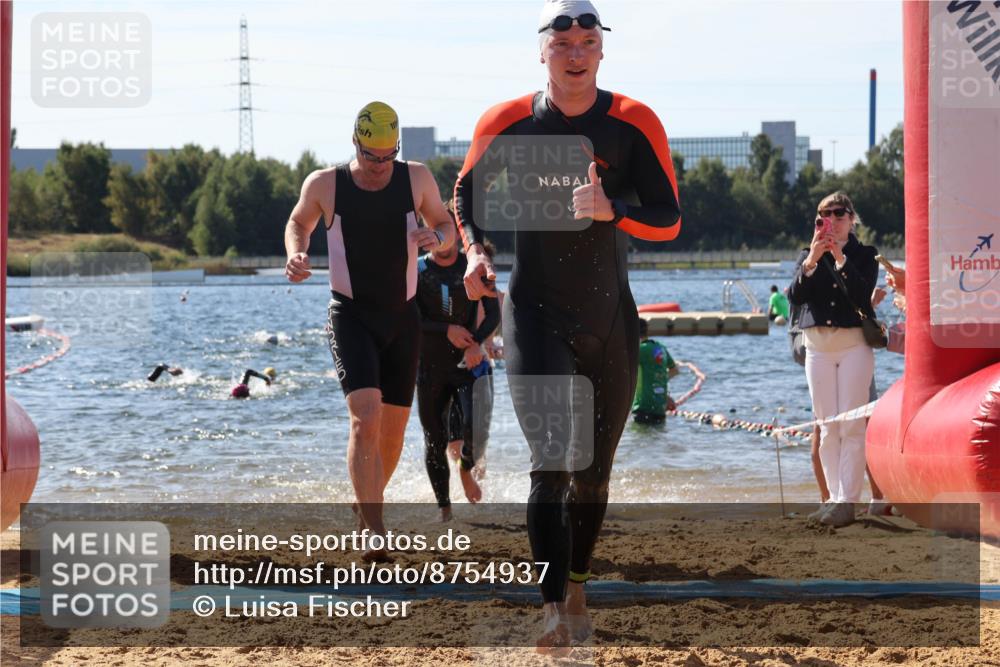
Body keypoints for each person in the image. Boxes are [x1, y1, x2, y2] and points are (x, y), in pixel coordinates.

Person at [455, 0, 682, 652]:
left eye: (588, 41)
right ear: (543, 52)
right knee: (551, 464)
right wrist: (474, 251)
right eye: (564, 43)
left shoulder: (634, 123)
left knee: (594, 475)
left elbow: (669, 220)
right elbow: (466, 194)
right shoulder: (508, 122)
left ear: (602, 51)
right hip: (534, 313)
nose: (576, 52)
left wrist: (613, 208)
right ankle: (553, 607)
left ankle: (578, 580)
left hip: (611, 319)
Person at [284, 101, 456, 560]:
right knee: (365, 415)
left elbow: (446, 223)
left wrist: (438, 238)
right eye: (371, 157)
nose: (381, 167)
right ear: (356, 143)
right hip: (351, 315)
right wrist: (297, 253)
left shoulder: (415, 177)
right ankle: (375, 530)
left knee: (393, 434)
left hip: (403, 318)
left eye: (388, 156)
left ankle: (365, 509)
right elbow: (298, 222)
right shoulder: (325, 184)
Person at [789, 191, 878, 528]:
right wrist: (812, 261)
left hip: (854, 344)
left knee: (852, 426)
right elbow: (795, 297)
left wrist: (840, 257)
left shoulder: (864, 255)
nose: (831, 222)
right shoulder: (807, 255)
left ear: (851, 218)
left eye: (839, 214)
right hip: (818, 347)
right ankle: (833, 499)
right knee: (827, 427)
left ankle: (847, 502)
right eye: (823, 216)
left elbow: (861, 294)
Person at [415, 215, 500, 521]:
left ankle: (466, 470)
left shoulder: (473, 266)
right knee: (434, 439)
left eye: (444, 230)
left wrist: (477, 342)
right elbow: (409, 319)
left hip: (468, 363)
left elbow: (492, 313)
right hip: (430, 368)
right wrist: (445, 329)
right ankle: (444, 508)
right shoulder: (417, 270)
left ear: (454, 232)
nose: (439, 237)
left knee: (477, 429)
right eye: (432, 232)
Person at [631, 318, 678, 424]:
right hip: (660, 408)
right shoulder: (660, 348)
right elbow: (674, 370)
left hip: (643, 407)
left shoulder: (640, 350)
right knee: (657, 438)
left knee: (640, 438)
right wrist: (664, 392)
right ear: (647, 330)